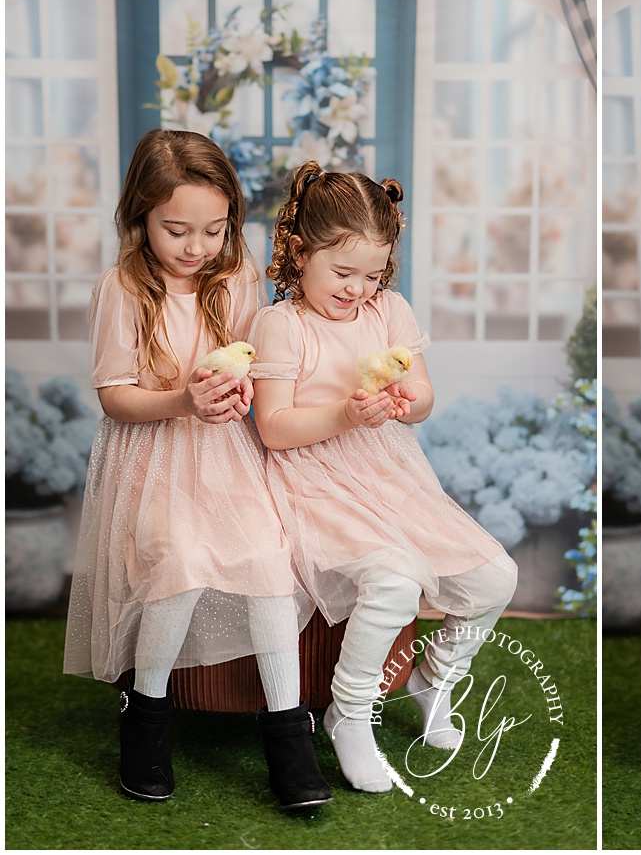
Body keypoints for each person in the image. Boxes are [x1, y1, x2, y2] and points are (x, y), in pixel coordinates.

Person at [63, 128, 330, 810]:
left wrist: (238, 394)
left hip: (224, 454)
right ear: (139, 217)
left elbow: (249, 363)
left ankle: (286, 734)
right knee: (178, 560)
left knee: (269, 565)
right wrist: (184, 398)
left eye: (213, 230)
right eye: (176, 229)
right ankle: (145, 717)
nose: (196, 248)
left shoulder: (235, 277)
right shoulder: (122, 288)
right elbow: (115, 398)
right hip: (151, 454)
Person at [248, 161, 518, 794]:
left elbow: (423, 399)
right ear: (297, 251)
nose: (357, 290)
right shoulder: (281, 324)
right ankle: (349, 710)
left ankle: (433, 679)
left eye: (372, 274)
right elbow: (275, 427)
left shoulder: (388, 311)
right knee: (393, 580)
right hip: (312, 476)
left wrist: (403, 401)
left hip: (390, 472)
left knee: (495, 575)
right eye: (342, 273)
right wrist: (344, 413)